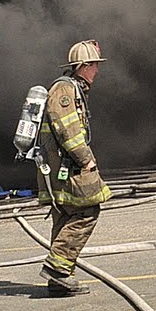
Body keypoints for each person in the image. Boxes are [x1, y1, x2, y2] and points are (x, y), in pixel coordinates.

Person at [38, 39, 111, 295]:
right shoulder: (64, 91)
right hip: (67, 167)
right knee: (88, 210)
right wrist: (85, 158)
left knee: (66, 214)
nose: (97, 71)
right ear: (83, 66)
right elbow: (67, 128)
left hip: (59, 167)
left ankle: (60, 280)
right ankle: (58, 270)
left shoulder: (73, 88)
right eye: (94, 65)